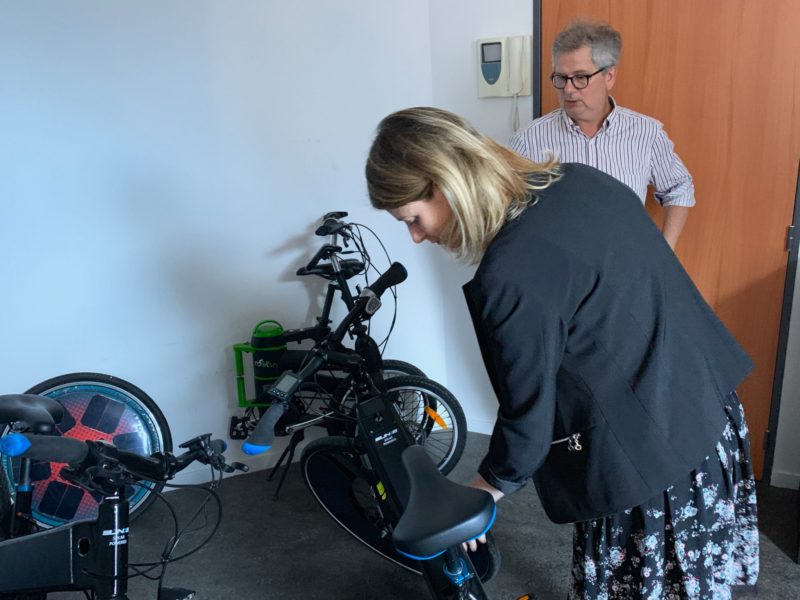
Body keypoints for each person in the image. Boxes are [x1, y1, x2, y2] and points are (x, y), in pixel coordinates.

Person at [365, 106, 759, 599]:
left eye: (413, 219)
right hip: (707, 411)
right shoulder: (579, 181)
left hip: (647, 466)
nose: (417, 237)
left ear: (445, 185)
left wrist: (485, 490)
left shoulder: (510, 274)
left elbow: (529, 416)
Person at [509, 20, 693, 250]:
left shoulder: (646, 133)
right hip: (558, 273)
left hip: (625, 270)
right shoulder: (529, 140)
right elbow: (507, 209)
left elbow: (679, 188)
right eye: (561, 78)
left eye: (580, 77)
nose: (568, 89)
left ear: (609, 76)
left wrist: (665, 251)